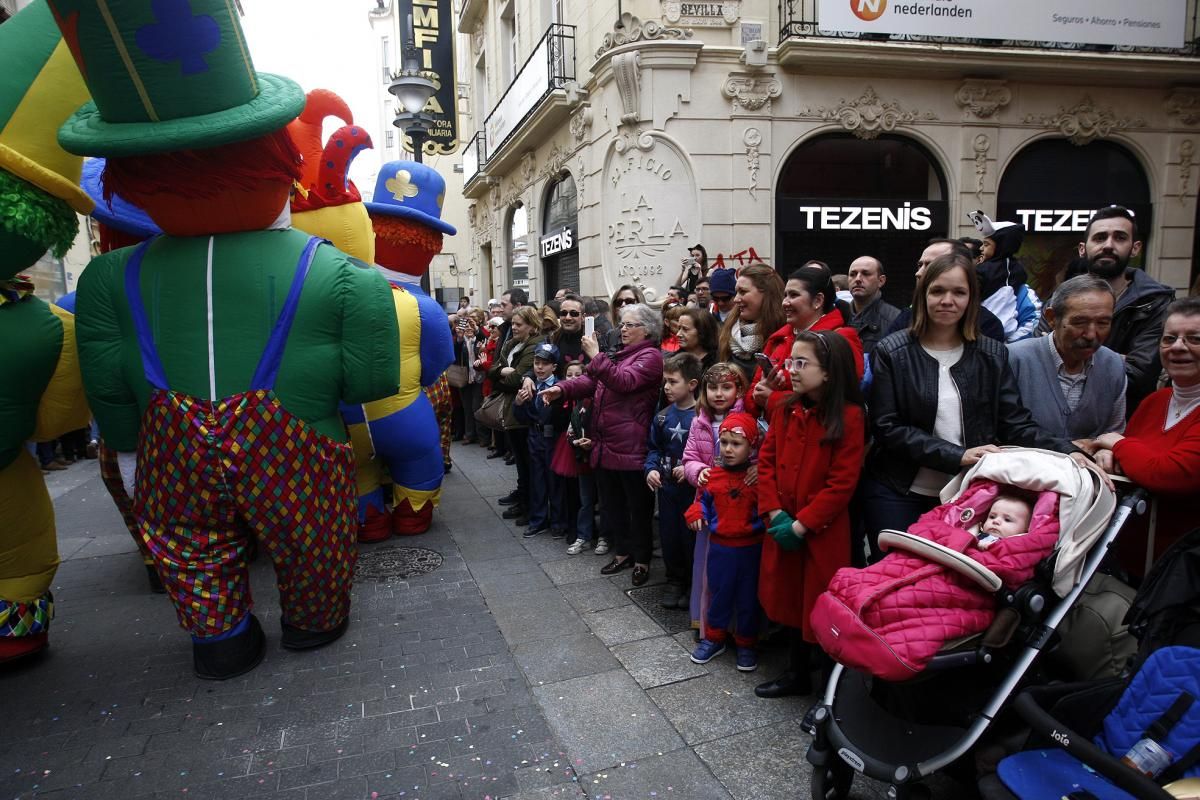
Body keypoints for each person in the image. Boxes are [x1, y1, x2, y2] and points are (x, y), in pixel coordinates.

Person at [861, 251, 1084, 563]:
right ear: (922, 295)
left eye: (959, 292)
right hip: (897, 491)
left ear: (972, 299)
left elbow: (1015, 424)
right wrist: (958, 455)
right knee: (894, 578)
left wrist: (1070, 450)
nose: (947, 300)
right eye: (937, 290)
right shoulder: (892, 351)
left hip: (969, 495)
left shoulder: (992, 354)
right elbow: (887, 427)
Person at [814, 483, 1054, 681]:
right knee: (868, 578)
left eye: (1007, 520)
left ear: (1026, 530)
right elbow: (936, 528)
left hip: (967, 586)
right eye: (992, 515)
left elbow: (1009, 566)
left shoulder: (1014, 548)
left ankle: (862, 625)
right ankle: (852, 613)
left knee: (905, 602)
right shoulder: (972, 532)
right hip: (935, 560)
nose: (996, 522)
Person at [755, 330, 866, 698]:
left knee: (819, 605)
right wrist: (773, 512)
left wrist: (802, 525)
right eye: (791, 361)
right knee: (788, 600)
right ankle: (796, 672)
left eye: (801, 363)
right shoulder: (785, 407)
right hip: (783, 522)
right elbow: (767, 459)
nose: (792, 370)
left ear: (829, 371)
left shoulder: (849, 417)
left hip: (820, 531)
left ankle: (828, 692)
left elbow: (841, 483)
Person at [543, 303, 664, 586]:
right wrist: (561, 388)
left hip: (632, 446)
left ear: (646, 330)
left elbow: (622, 382)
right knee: (613, 506)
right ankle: (623, 553)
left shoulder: (651, 357)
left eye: (629, 325)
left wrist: (596, 355)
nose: (622, 329)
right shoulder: (618, 355)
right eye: (622, 324)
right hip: (605, 444)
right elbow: (590, 381)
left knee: (638, 509)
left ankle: (642, 560)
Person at [1091, 297, 1200, 569]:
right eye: (1169, 338)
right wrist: (1108, 452)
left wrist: (1116, 443)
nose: (1177, 347)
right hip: (1125, 565)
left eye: (1194, 338)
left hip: (1181, 578)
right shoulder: (1155, 401)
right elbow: (1132, 453)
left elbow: (1167, 473)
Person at [687, 412, 766, 672]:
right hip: (720, 548)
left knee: (748, 598)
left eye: (737, 444)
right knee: (718, 594)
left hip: (751, 549)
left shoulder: (757, 479)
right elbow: (700, 504)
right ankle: (715, 637)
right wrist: (697, 514)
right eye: (725, 443)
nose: (729, 450)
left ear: (751, 446)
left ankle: (746, 642)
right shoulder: (713, 477)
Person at [1008, 275, 1126, 449]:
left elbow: (1114, 433)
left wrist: (1103, 450)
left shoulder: (1113, 366)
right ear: (1051, 318)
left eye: (1102, 323)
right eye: (1080, 322)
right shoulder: (1015, 359)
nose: (1091, 334)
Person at [1079, 205, 1174, 414]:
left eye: (1120, 238)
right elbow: (1043, 366)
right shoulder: (1058, 300)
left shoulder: (1155, 304)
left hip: (1126, 420)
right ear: (1082, 248)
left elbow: (1138, 376)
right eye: (1100, 237)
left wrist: (1075, 358)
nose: (1108, 245)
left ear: (1135, 248)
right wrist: (1119, 359)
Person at [682, 362, 751, 637]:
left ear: (739, 389)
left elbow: (757, 457)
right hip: (709, 507)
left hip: (738, 506)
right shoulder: (699, 421)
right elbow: (689, 458)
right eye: (713, 387)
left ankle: (738, 627)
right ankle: (708, 622)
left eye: (726, 387)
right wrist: (697, 472)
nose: (719, 394)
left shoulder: (748, 421)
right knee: (709, 566)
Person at [747, 264, 863, 417]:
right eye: (785, 295)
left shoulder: (840, 339)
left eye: (793, 295)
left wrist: (773, 399)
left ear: (818, 300)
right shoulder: (778, 339)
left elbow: (838, 400)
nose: (785, 303)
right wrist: (760, 393)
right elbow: (753, 394)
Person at [645, 353, 703, 610]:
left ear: (691, 384)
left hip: (692, 490)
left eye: (673, 381)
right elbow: (653, 448)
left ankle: (693, 581)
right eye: (664, 382)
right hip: (667, 489)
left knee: (690, 536)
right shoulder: (662, 416)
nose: (666, 387)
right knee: (669, 536)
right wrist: (650, 469)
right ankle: (674, 580)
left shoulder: (702, 417)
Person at [886, 239, 1007, 342]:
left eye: (931, 265)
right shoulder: (906, 318)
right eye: (920, 265)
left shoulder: (987, 326)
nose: (919, 273)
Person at [490, 305, 545, 525]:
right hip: (512, 408)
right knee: (520, 463)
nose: (513, 327)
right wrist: (500, 372)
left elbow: (517, 379)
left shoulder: (535, 344)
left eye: (518, 324)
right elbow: (493, 369)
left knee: (527, 462)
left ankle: (530, 506)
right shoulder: (512, 343)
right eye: (512, 323)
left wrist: (499, 375)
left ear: (532, 326)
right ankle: (523, 500)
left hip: (524, 410)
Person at [513, 342, 568, 538]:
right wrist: (519, 404)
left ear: (554, 367)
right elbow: (523, 417)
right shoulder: (531, 384)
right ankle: (538, 520)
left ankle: (559, 521)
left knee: (555, 482)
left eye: (545, 364)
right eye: (537, 363)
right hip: (535, 437)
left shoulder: (561, 386)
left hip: (554, 437)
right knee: (537, 480)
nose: (539, 367)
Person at [968, 212, 1042, 343]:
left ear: (1002, 246)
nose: (981, 248)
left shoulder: (983, 270)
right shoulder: (1017, 271)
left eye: (986, 244)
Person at [718, 264, 787, 383]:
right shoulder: (727, 330)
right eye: (736, 292)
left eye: (743, 292)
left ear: (767, 295)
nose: (736, 299)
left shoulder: (785, 336)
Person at [555, 361, 596, 554]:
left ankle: (603, 535)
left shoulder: (595, 401)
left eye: (578, 375)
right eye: (569, 375)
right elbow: (571, 429)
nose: (574, 379)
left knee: (602, 500)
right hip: (580, 455)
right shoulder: (575, 404)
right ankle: (583, 534)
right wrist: (574, 442)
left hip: (597, 455)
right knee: (584, 498)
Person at [846, 256, 901, 355]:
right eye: (853, 274)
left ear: (881, 281)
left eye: (866, 274)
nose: (858, 279)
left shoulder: (895, 320)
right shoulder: (837, 317)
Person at [458, 309, 489, 445]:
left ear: (480, 320)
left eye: (475, 318)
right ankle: (470, 434)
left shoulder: (482, 334)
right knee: (467, 407)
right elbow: (455, 351)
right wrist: (460, 338)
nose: (471, 321)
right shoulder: (462, 336)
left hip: (478, 376)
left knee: (477, 406)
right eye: (469, 318)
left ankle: (482, 437)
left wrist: (476, 330)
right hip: (465, 376)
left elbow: (484, 338)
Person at [676, 307, 720, 373]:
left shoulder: (718, 363)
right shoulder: (673, 361)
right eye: (679, 328)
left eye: (685, 329)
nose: (678, 334)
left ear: (702, 331)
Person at [603, 284, 646, 352]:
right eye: (619, 302)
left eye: (629, 301)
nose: (623, 305)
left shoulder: (649, 333)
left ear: (640, 303)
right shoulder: (611, 335)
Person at [553, 294, 587, 367]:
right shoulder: (552, 339)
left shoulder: (594, 340)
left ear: (583, 317)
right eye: (563, 313)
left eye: (574, 313)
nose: (568, 317)